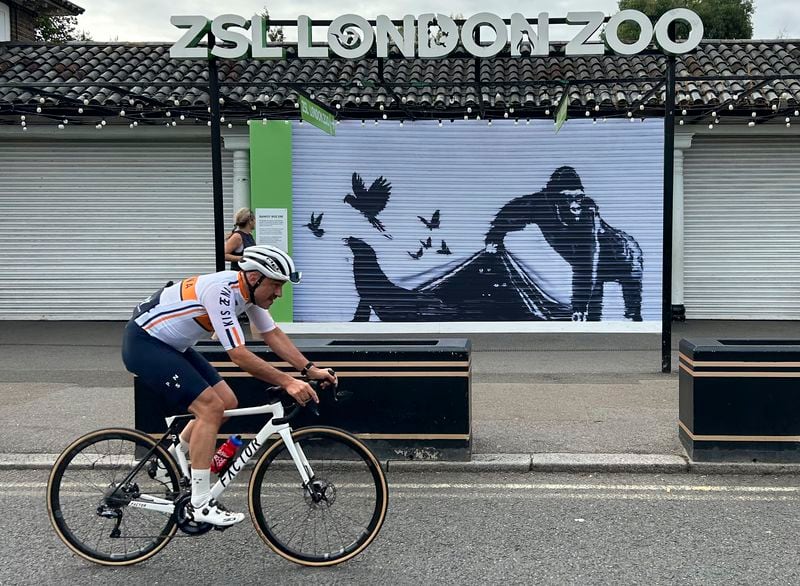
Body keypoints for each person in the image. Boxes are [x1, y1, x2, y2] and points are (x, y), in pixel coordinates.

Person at [122, 245, 336, 527]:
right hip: (145, 343)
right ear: (254, 277)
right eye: (275, 285)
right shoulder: (221, 291)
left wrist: (309, 369)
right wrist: (288, 382)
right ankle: (199, 504)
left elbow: (272, 334)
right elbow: (238, 354)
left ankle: (170, 458)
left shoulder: (248, 295)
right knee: (210, 408)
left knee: (226, 402)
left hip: (172, 346)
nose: (279, 293)